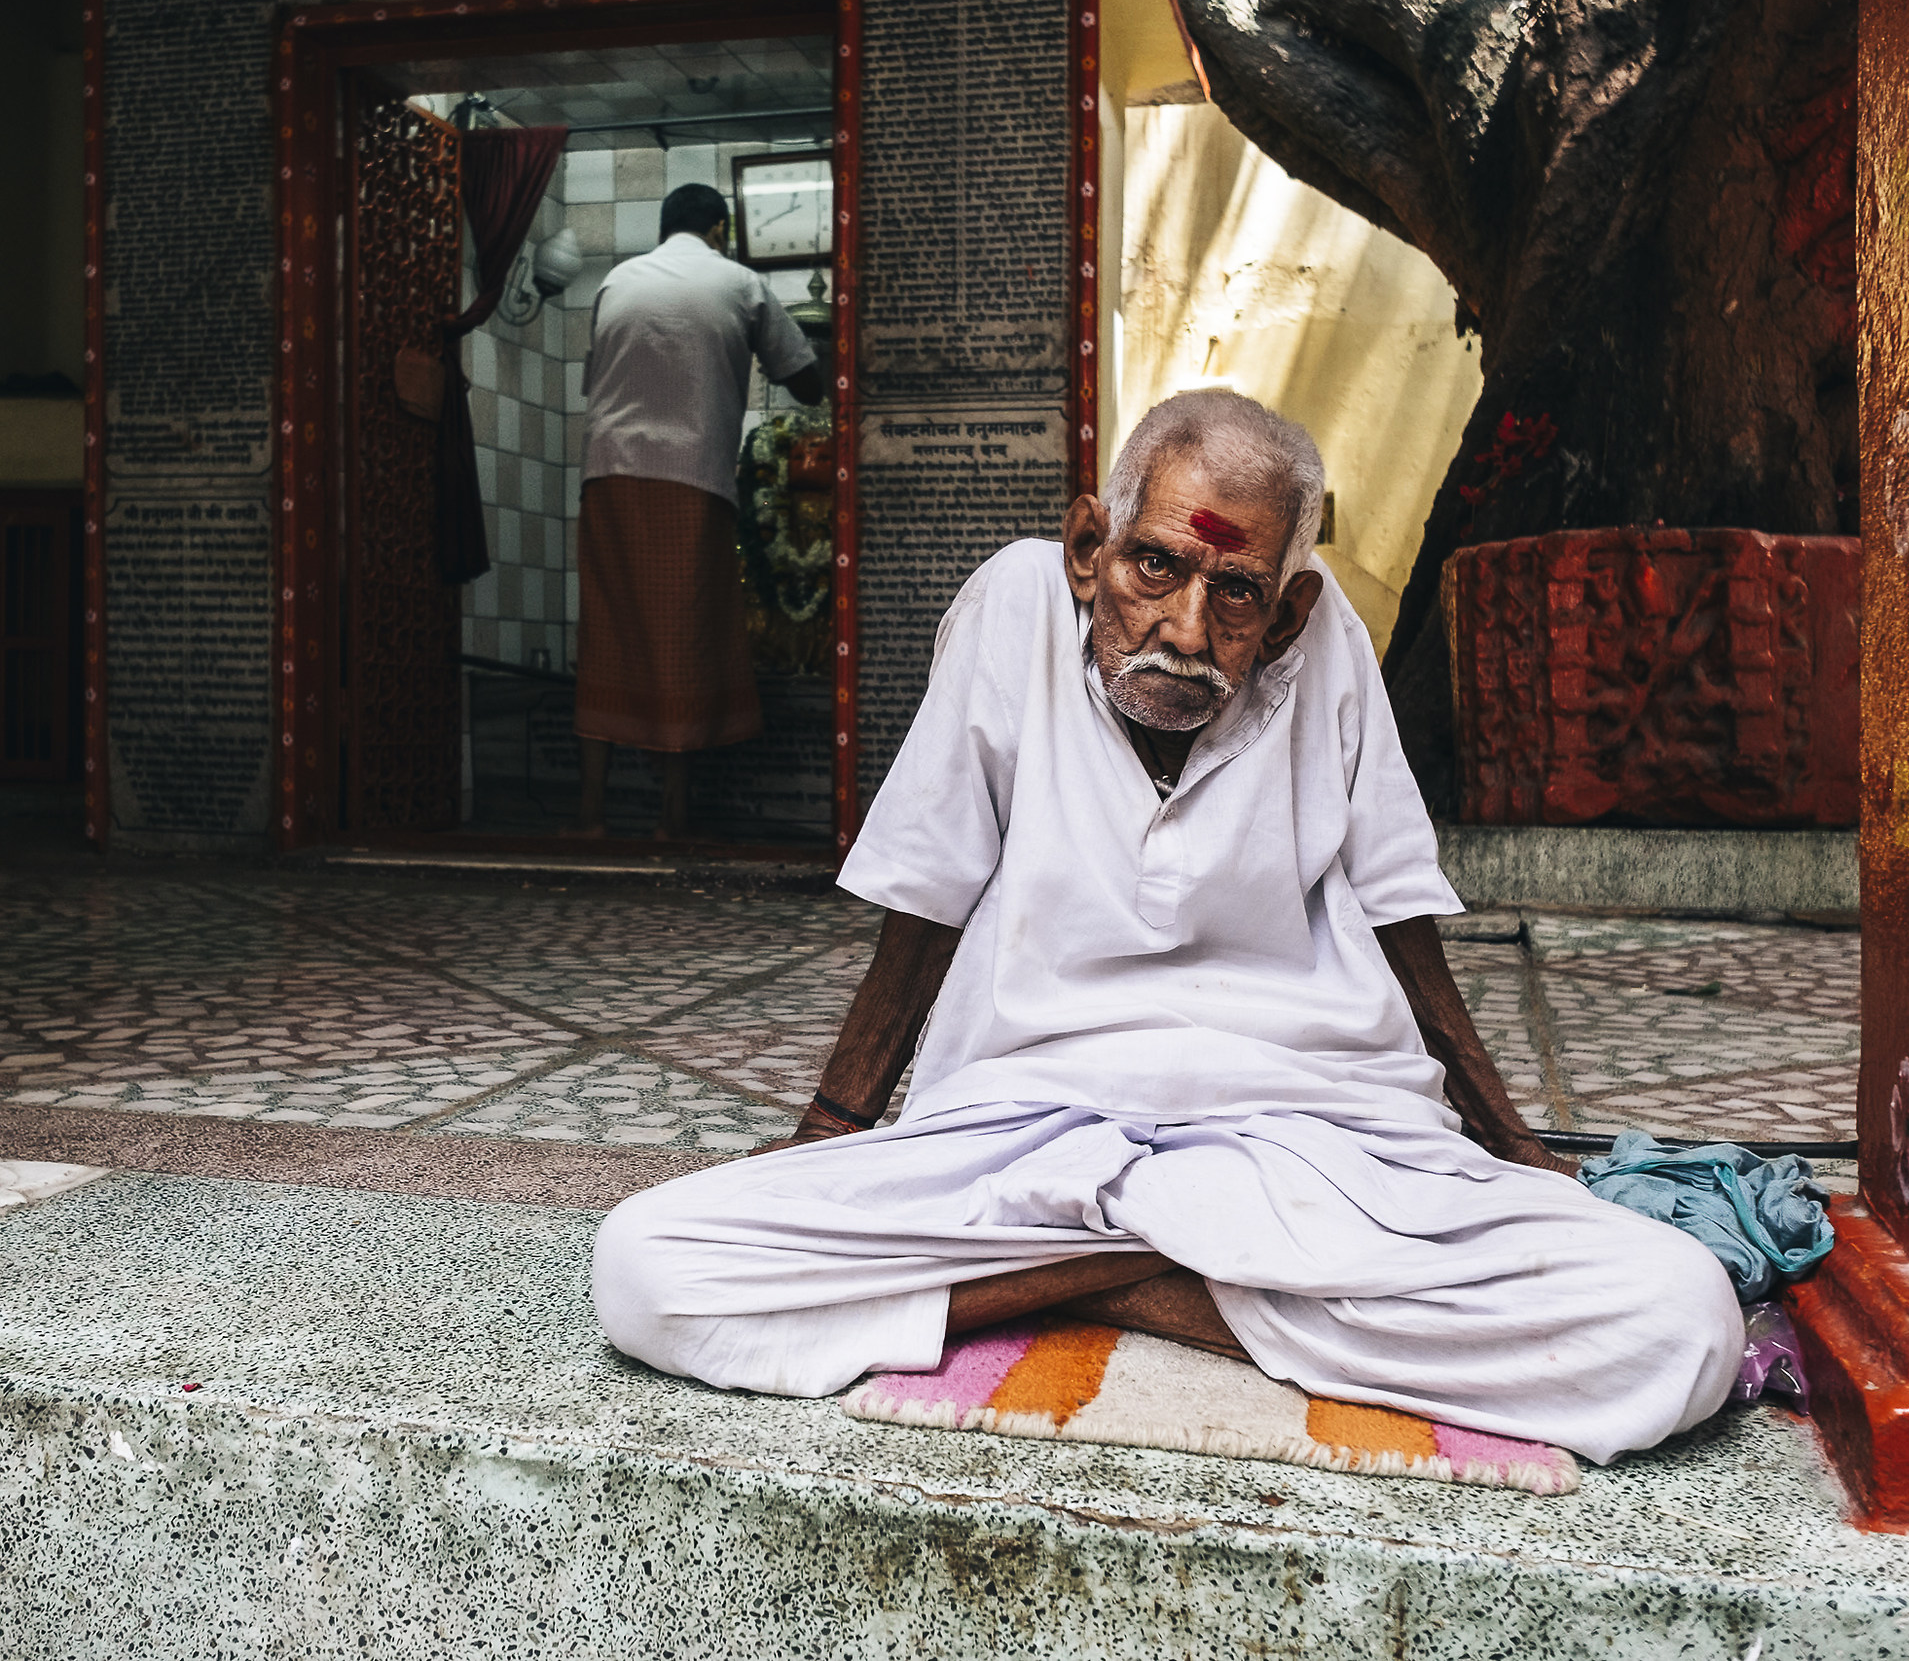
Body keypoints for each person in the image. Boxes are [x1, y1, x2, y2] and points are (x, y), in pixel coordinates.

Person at [591, 391, 1742, 1463]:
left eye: (1234, 592)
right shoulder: (1012, 605)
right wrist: (833, 1126)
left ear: (1286, 613)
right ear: (1091, 546)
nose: (1187, 629)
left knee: (1681, 1322)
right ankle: (1183, 1282)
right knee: (647, 1267)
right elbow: (928, 893)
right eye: (1155, 566)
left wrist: (1514, 1145)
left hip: (1306, 1133)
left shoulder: (1325, 639)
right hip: (1018, 1128)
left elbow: (1398, 908)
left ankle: (1087, 1278)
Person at [569, 181, 821, 839]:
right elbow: (806, 378)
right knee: (680, 636)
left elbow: (593, 381)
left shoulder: (618, 281)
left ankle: (591, 815)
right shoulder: (739, 281)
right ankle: (670, 818)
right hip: (690, 478)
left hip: (608, 476)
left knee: (608, 634)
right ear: (720, 229)